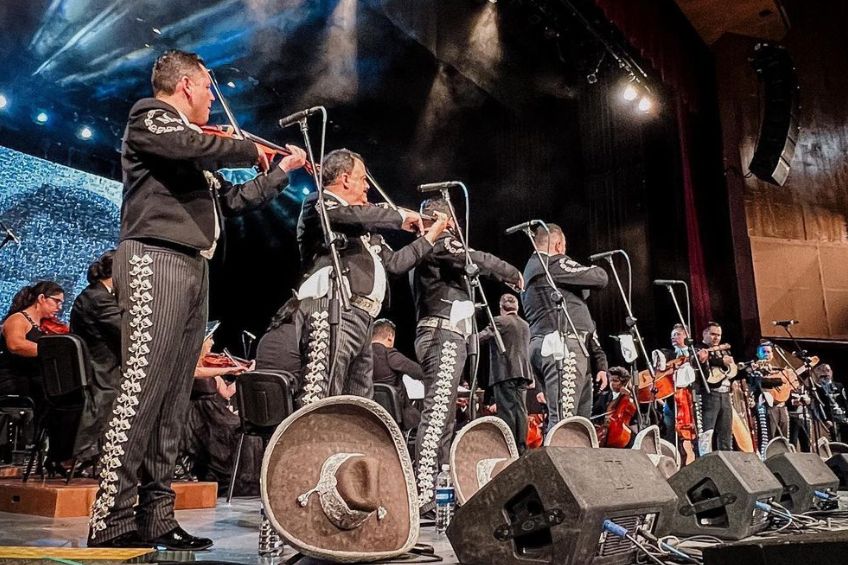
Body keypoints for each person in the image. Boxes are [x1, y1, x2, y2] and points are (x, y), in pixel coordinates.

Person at [88, 49, 308, 550]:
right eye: (209, 88)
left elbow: (231, 203)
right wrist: (245, 149)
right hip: (154, 258)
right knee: (143, 388)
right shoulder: (151, 117)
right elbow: (193, 144)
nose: (212, 98)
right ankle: (112, 519)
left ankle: (156, 515)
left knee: (173, 398)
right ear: (187, 85)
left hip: (192, 264)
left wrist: (279, 172)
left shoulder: (190, 150)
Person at [294, 148, 448, 405]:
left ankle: (349, 444)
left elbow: (396, 264)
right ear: (345, 179)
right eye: (363, 179)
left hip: (363, 318)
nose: (367, 187)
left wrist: (429, 238)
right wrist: (399, 216)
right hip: (333, 307)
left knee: (359, 398)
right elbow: (349, 215)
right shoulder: (320, 202)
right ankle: (311, 444)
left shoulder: (366, 233)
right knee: (322, 389)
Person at [411, 196, 522, 511]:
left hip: (445, 332)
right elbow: (477, 257)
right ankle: (424, 491)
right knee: (437, 414)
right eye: (453, 220)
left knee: (444, 415)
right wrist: (510, 272)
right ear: (444, 219)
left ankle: (437, 490)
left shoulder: (434, 248)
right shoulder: (439, 241)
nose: (457, 227)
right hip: (441, 332)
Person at [521, 223, 608, 431]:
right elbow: (599, 277)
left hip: (551, 344)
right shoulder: (551, 264)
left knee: (579, 424)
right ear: (559, 245)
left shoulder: (534, 270)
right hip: (563, 347)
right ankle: (557, 462)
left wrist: (601, 364)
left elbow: (585, 322)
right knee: (564, 421)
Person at [69, 251, 122, 463]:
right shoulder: (100, 299)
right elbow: (127, 332)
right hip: (100, 373)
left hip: (93, 368)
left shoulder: (92, 294)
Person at [480, 294, 532, 454]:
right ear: (516, 307)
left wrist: (465, 339)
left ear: (501, 307)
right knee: (521, 411)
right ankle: (521, 447)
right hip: (523, 373)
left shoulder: (499, 321)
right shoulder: (525, 325)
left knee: (507, 412)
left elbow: (482, 337)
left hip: (505, 372)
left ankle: (509, 448)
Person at [0, 281, 65, 403]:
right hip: (16, 382)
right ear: (41, 298)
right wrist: (53, 351)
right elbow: (15, 345)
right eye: (57, 301)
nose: (60, 307)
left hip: (34, 382)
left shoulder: (45, 324)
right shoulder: (18, 319)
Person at [371, 318, 424, 429]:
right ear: (390, 336)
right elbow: (420, 373)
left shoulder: (362, 356)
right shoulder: (390, 354)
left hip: (371, 415)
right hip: (397, 417)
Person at [693, 322, 735, 453]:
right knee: (707, 431)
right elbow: (696, 361)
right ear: (704, 334)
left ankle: (728, 462)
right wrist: (721, 362)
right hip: (709, 395)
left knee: (726, 432)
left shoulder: (723, 350)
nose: (716, 338)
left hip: (726, 394)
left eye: (718, 335)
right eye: (713, 334)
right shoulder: (698, 348)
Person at [593, 366, 637, 448]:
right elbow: (595, 413)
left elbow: (635, 417)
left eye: (616, 381)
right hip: (604, 430)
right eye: (611, 380)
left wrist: (630, 396)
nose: (612, 383)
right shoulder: (604, 396)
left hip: (623, 432)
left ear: (623, 383)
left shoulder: (629, 398)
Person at [815, 364, 847, 442]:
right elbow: (818, 406)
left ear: (831, 372)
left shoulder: (839, 386)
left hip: (842, 417)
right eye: (823, 371)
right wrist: (825, 419)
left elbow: (845, 402)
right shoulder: (817, 389)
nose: (826, 373)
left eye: (828, 370)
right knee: (835, 443)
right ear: (818, 373)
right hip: (830, 420)